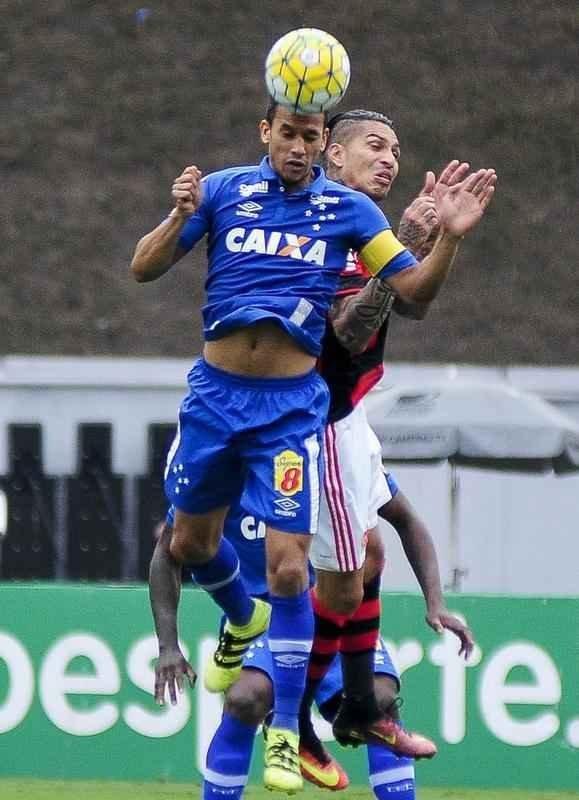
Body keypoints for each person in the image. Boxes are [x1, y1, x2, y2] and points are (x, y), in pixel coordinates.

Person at [133, 97, 494, 792]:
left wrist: (436, 240)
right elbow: (145, 268)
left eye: (395, 148)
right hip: (225, 398)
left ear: (321, 142)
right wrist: (178, 214)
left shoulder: (358, 221)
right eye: (375, 146)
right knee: (188, 544)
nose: (390, 158)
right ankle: (260, 639)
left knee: (333, 562)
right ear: (276, 135)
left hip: (314, 416)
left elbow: (406, 301)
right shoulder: (230, 193)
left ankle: (308, 721)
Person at [155, 485, 473, 800]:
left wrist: (436, 602)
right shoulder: (224, 462)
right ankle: (286, 719)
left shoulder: (336, 449)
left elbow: (407, 520)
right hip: (264, 613)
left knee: (378, 701)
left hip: (331, 604)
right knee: (246, 698)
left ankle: (290, 718)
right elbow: (170, 549)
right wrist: (168, 645)